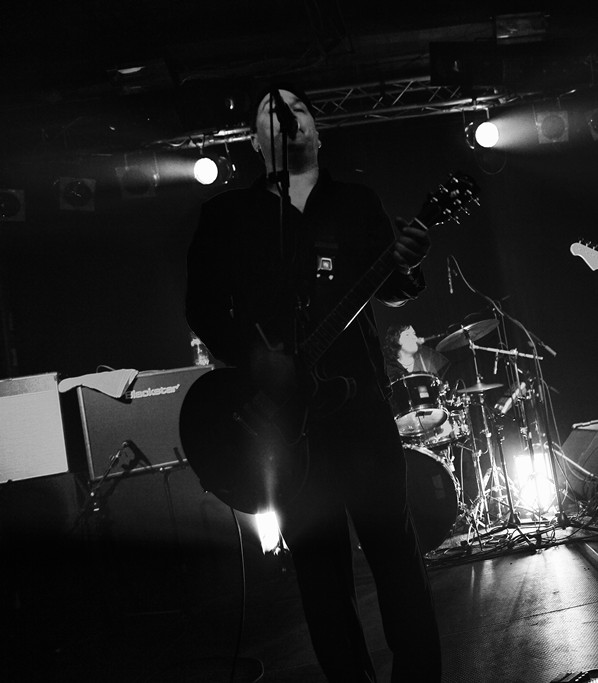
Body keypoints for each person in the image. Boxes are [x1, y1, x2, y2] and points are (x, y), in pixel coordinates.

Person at [184, 84, 442, 683]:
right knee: (320, 575)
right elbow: (202, 308)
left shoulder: (355, 202)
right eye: (270, 112)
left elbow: (391, 285)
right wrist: (256, 359)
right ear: (255, 141)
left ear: (318, 132)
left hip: (359, 404)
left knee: (396, 553)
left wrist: (406, 263)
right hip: (282, 424)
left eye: (299, 108)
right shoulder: (226, 216)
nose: (287, 115)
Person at [383, 324, 449, 381]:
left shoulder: (426, 363)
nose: (414, 338)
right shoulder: (389, 369)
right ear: (396, 340)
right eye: (407, 335)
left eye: (414, 334)